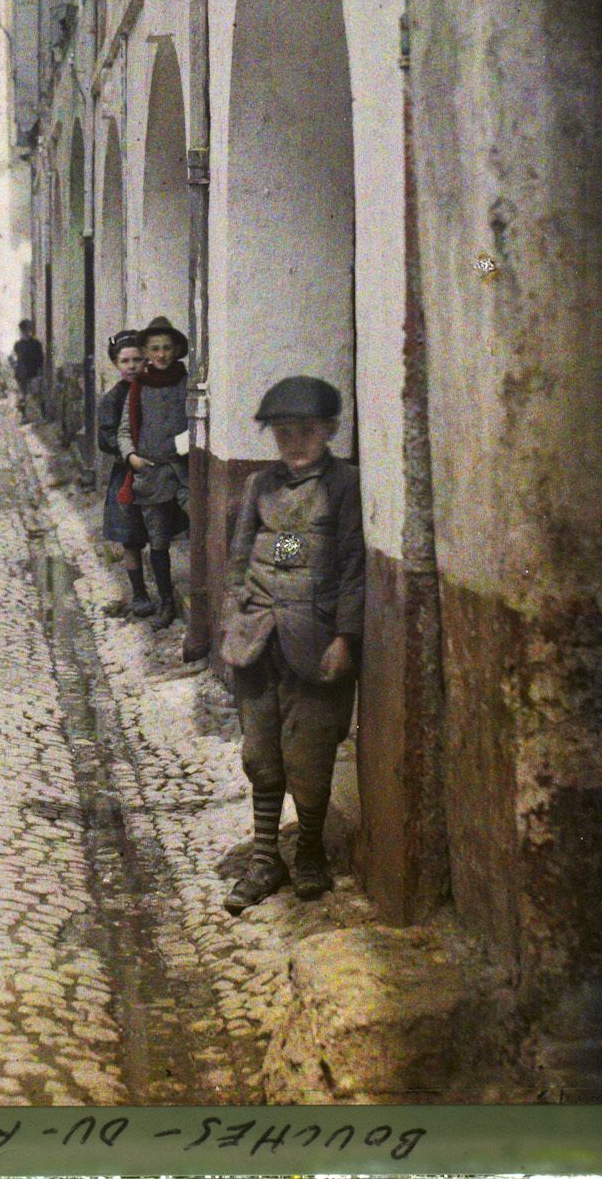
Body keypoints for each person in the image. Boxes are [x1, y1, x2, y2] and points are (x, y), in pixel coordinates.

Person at [220, 375, 364, 913]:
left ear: (328, 430)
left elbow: (351, 564)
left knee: (310, 754)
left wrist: (346, 637)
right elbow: (244, 556)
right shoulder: (262, 486)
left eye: (305, 431)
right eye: (283, 433)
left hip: (317, 642)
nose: (294, 443)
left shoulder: (345, 485)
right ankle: (264, 858)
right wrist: (239, 615)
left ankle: (307, 853)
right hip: (258, 641)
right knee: (260, 754)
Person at [115, 314, 191, 630]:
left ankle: (203, 596)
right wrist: (132, 457)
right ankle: (166, 602)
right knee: (158, 541)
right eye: (155, 349)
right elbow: (123, 431)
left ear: (176, 351)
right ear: (146, 352)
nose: (161, 355)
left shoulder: (189, 383)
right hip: (151, 475)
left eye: (167, 348)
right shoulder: (137, 389)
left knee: (200, 526)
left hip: (185, 474)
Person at [98, 330, 153, 617]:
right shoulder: (114, 398)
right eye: (126, 361)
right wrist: (129, 453)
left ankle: (164, 589)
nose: (132, 366)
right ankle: (140, 593)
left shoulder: (154, 392)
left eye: (137, 360)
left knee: (157, 531)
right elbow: (105, 438)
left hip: (154, 471)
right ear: (117, 364)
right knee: (131, 537)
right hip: (127, 476)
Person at [10, 319, 45, 413]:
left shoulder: (36, 344)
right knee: (23, 396)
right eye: (24, 330)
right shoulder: (17, 345)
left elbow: (41, 360)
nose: (26, 332)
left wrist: (40, 373)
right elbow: (13, 358)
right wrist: (15, 367)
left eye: (27, 329)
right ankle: (24, 415)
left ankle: (36, 415)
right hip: (22, 375)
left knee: (35, 395)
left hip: (33, 374)